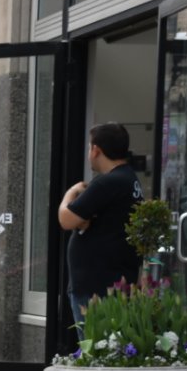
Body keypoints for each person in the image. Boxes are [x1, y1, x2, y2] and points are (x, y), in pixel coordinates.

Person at [58, 122, 144, 325]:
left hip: (96, 287)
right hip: (112, 282)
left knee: (95, 348)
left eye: (89, 147)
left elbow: (66, 219)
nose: (89, 152)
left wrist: (70, 193)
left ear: (96, 150)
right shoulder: (129, 179)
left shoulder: (107, 182)